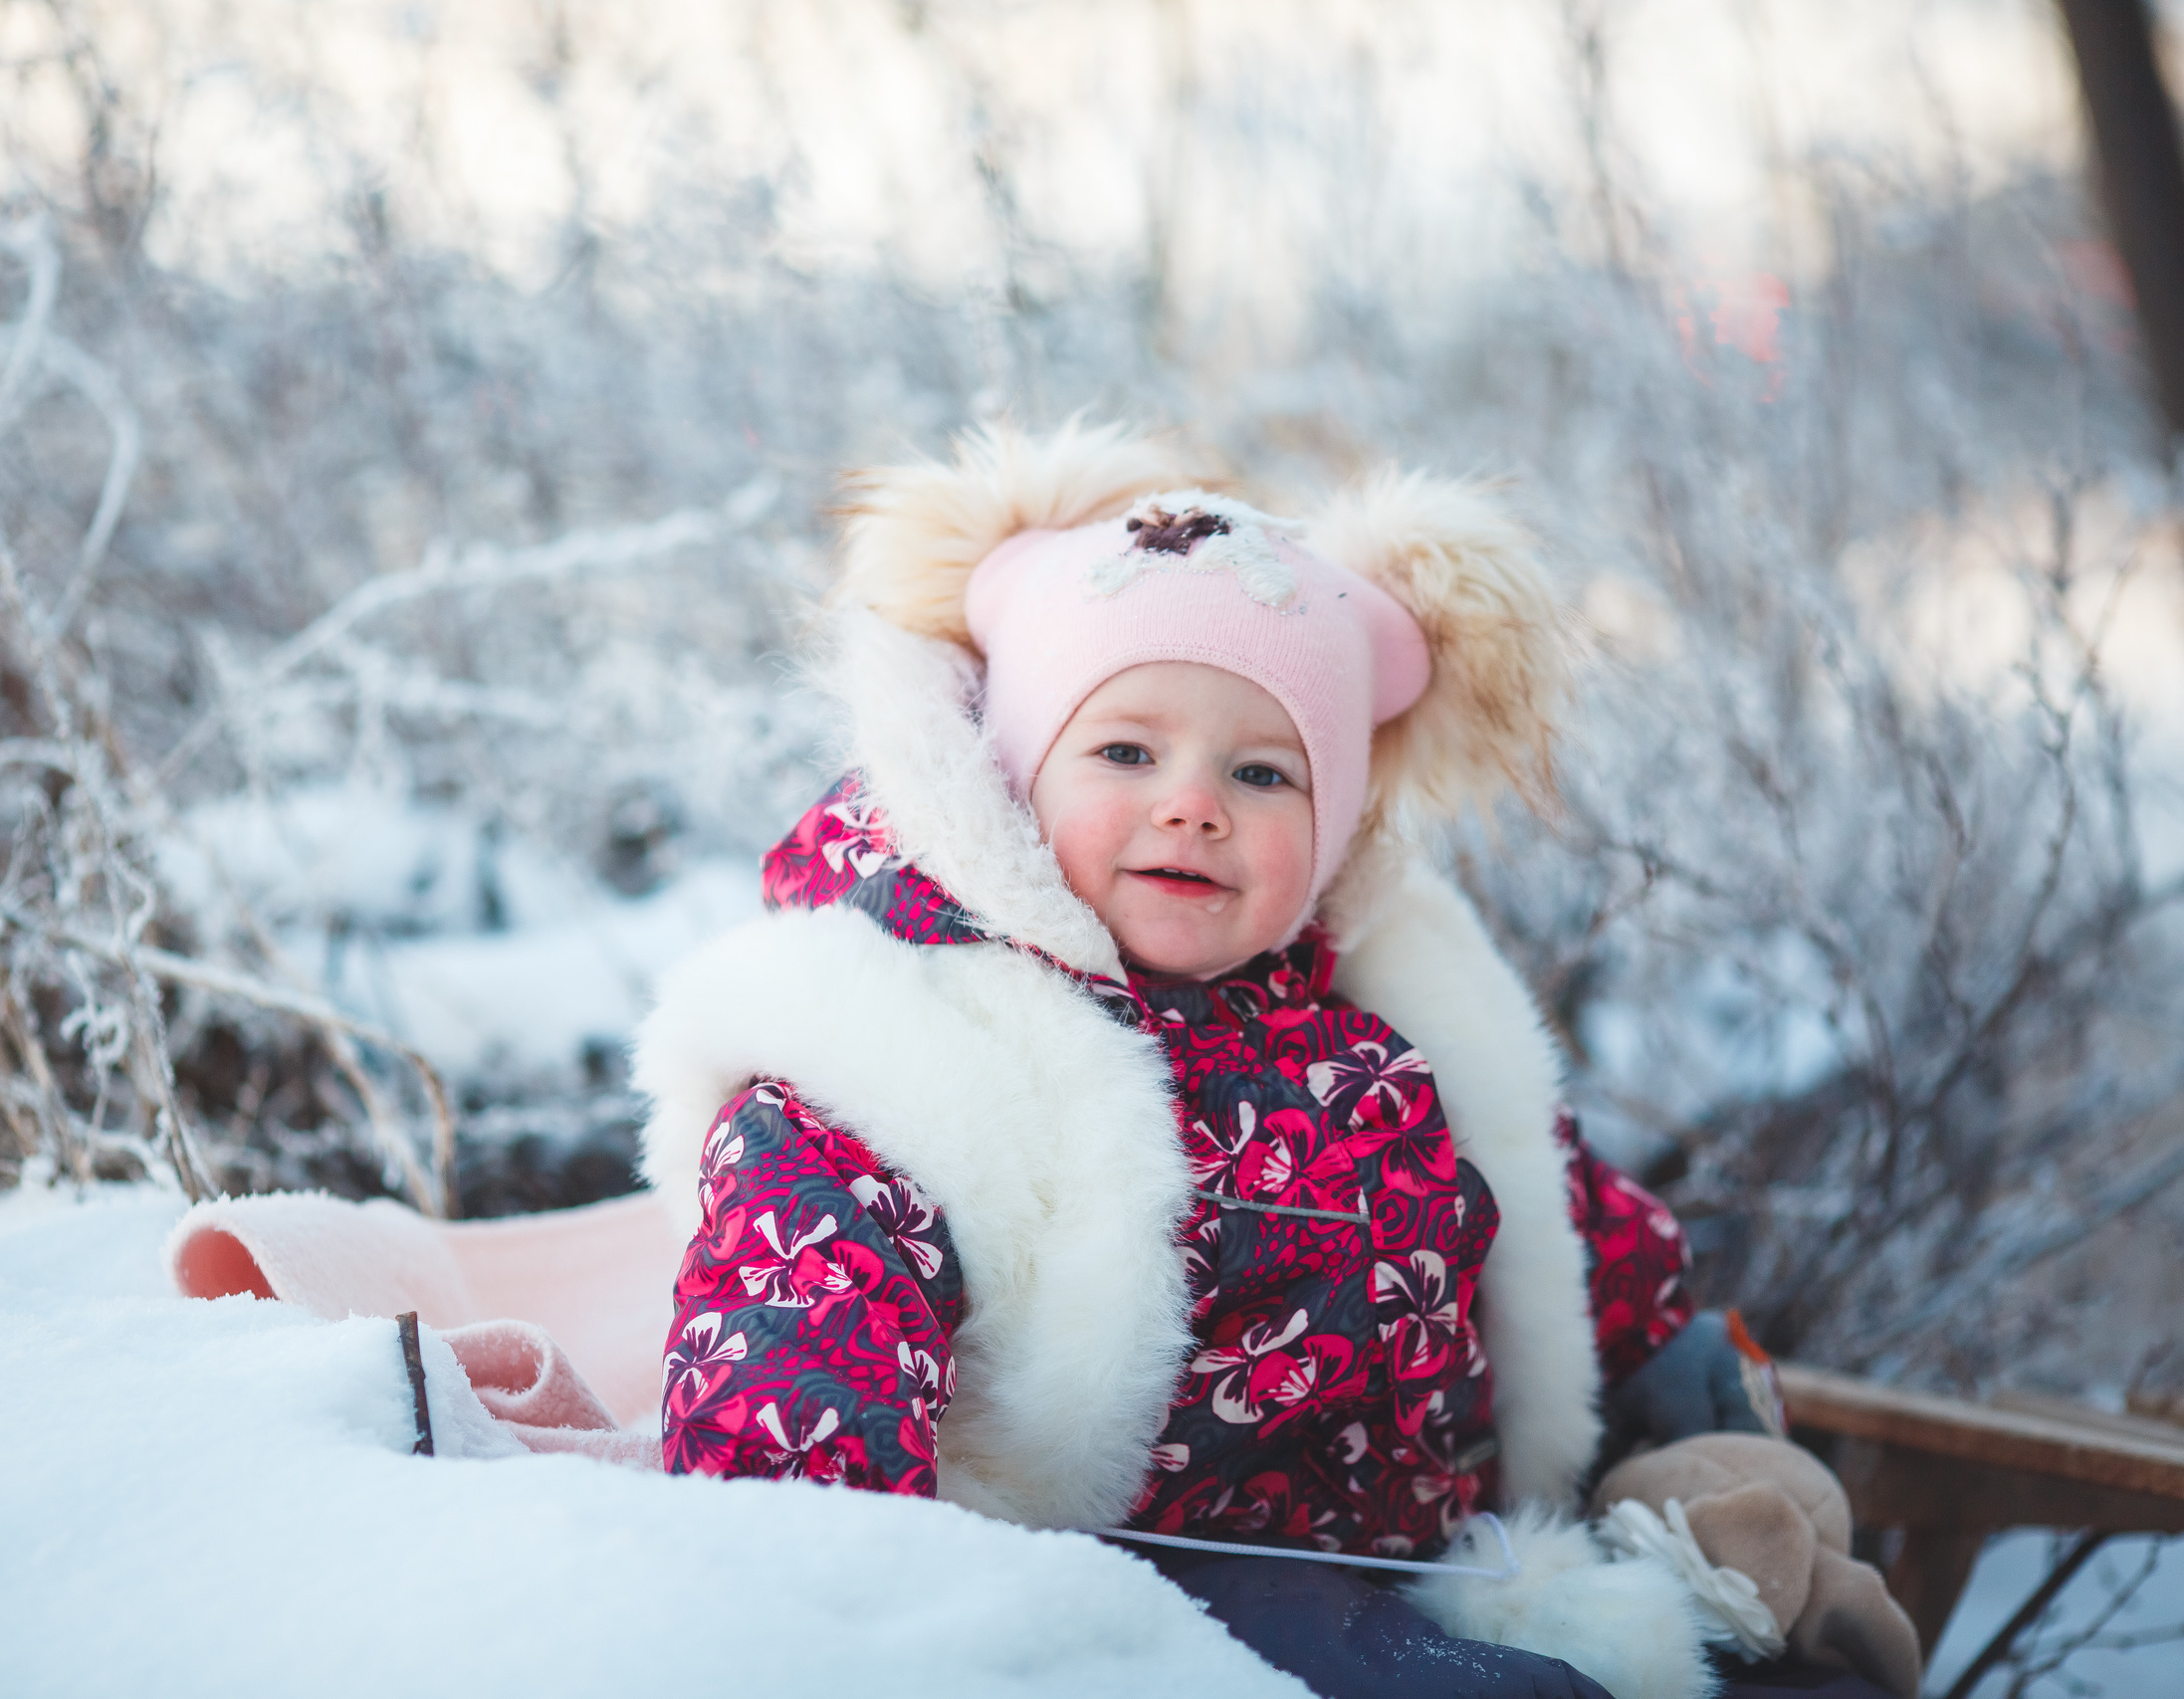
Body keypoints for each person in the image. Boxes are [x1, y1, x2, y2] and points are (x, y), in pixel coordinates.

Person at [629, 423, 1794, 1699]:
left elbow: (1545, 1211)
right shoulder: (887, 1070)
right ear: (1014, 777)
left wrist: (1667, 1361)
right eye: (1126, 751)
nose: (1195, 803)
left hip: (1426, 1567)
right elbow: (799, 1349)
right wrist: (831, 1599)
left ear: (1335, 822)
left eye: (1261, 771)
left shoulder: (1378, 1042)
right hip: (1112, 1597)